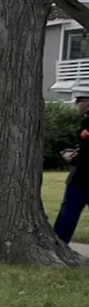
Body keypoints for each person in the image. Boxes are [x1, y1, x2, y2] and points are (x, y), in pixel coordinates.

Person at [53, 85, 89, 243]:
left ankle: (59, 243)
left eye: (79, 101)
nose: (77, 104)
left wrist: (72, 158)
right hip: (82, 175)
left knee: (69, 213)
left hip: (82, 178)